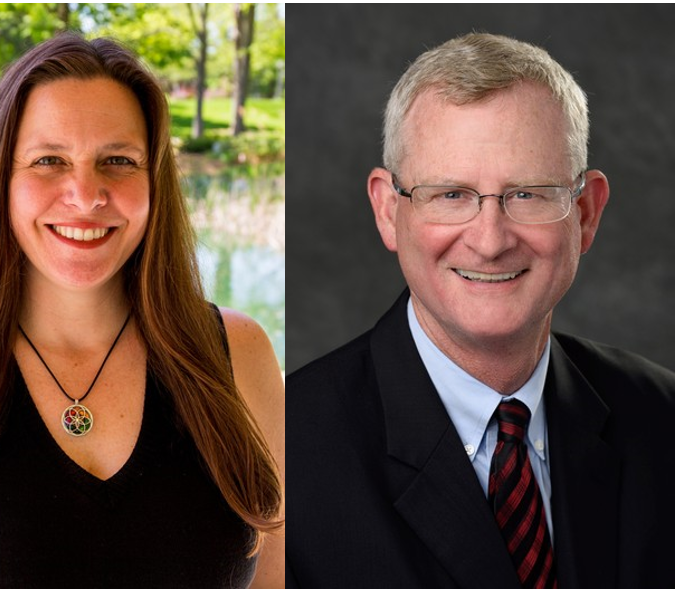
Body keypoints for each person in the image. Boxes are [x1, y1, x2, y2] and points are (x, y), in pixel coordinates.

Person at [0, 33, 284, 589]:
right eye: (49, 160)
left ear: (155, 183)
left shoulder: (238, 356)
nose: (85, 193)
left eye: (118, 160)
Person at [286, 33, 673, 589]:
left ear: (586, 214)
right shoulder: (289, 450)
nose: (490, 242)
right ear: (388, 211)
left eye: (529, 194)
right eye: (450, 194)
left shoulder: (664, 421)